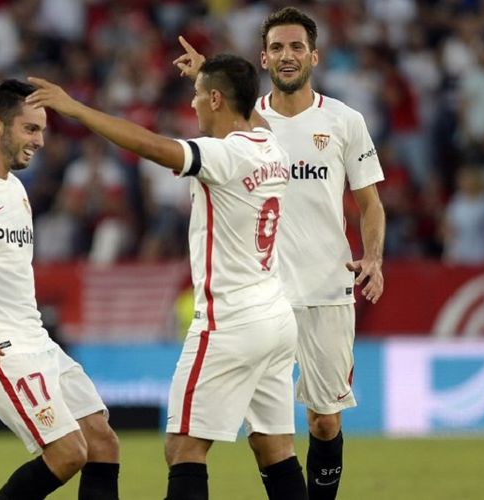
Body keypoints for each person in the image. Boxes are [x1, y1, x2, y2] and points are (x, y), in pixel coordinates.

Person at [26, 53, 308, 500]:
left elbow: (151, 145)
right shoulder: (270, 145)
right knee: (274, 446)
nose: (192, 106)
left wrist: (76, 109)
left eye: (198, 96)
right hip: (275, 315)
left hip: (229, 321)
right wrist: (209, 76)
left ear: (216, 99)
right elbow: (250, 112)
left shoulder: (225, 154)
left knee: (183, 447)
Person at [174, 7, 386, 499]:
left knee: (325, 421)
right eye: (276, 48)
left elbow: (370, 203)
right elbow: (220, 101)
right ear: (263, 58)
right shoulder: (249, 122)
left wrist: (372, 257)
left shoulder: (344, 121)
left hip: (326, 291)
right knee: (266, 433)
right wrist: (208, 73)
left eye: (296, 47)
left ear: (314, 55)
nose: (286, 56)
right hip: (262, 300)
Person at [0, 79, 120, 500]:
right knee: (68, 453)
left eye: (43, 131)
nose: (41, 141)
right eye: (31, 129)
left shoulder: (15, 189)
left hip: (37, 340)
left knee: (103, 443)